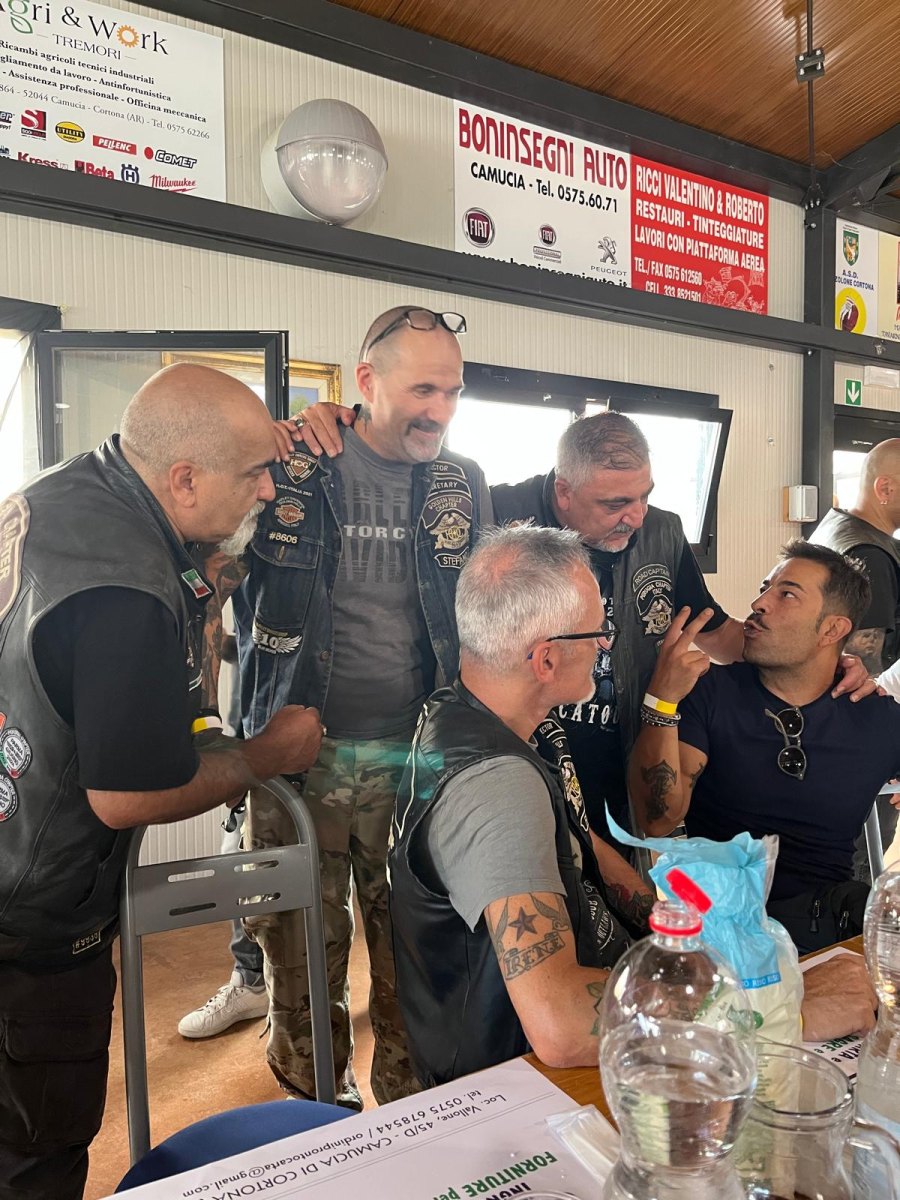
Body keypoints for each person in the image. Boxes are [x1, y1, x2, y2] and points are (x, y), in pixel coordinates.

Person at [388, 527, 877, 1087]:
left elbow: (577, 838)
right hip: (524, 1078)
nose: (606, 645)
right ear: (546, 659)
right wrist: (776, 1009)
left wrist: (686, 933)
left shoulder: (495, 717)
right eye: (597, 631)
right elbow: (563, 1025)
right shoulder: (497, 787)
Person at [0, 364, 324, 1200]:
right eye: (253, 473)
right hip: (28, 924)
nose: (266, 490)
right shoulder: (128, 587)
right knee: (36, 1151)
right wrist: (263, 755)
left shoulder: (63, 488)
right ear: (184, 477)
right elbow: (126, 798)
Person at [291, 407, 870, 843]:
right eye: (615, 503)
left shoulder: (661, 532)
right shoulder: (495, 511)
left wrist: (823, 655)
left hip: (620, 761)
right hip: (519, 757)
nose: (635, 516)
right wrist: (345, 422)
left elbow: (716, 632)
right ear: (563, 492)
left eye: (644, 496)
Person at [205, 306, 493, 1110]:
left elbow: (481, 612)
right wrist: (206, 731)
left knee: (417, 956)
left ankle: (410, 1119)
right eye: (423, 389)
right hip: (296, 758)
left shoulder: (462, 482)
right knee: (297, 956)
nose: (440, 410)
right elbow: (207, 580)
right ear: (366, 380)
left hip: (417, 759)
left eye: (453, 391)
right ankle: (315, 1119)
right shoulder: (287, 466)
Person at [628, 540, 900, 952]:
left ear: (832, 630)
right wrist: (661, 701)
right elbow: (658, 819)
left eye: (786, 594)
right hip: (720, 934)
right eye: (764, 588)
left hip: (825, 933)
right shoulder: (710, 693)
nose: (758, 604)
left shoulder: (875, 716)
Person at [811, 439, 900, 874]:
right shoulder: (870, 556)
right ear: (885, 488)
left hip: (819, 733)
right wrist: (886, 754)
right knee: (857, 871)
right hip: (852, 744)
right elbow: (864, 673)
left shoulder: (835, 528)